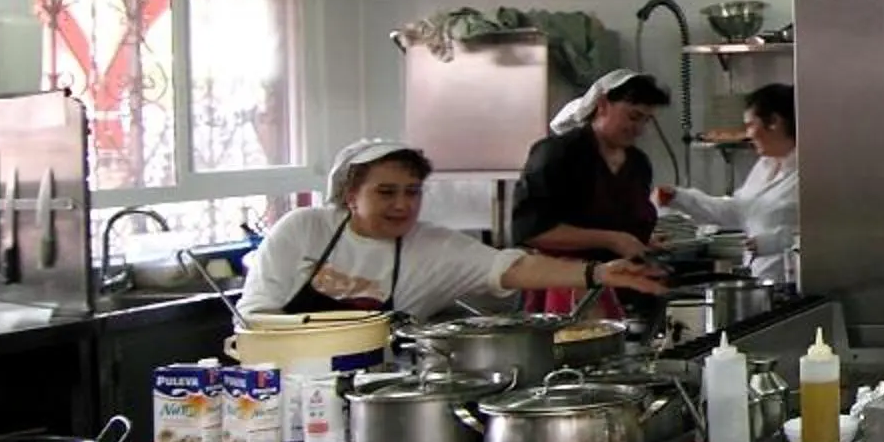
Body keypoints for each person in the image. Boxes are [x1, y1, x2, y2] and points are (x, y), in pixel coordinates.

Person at [240, 141, 670, 315]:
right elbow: (256, 317)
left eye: (412, 192)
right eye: (386, 192)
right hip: (279, 391)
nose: (402, 205)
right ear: (350, 195)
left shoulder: (432, 247)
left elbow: (514, 268)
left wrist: (599, 273)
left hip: (374, 397)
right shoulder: (304, 230)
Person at [511, 69, 670, 264]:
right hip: (565, 276)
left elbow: (625, 222)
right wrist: (613, 241)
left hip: (623, 275)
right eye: (633, 117)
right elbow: (530, 230)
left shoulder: (638, 163)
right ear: (603, 105)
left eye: (646, 120)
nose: (639, 130)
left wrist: (641, 241)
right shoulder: (558, 154)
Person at [660, 82, 800, 285]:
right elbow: (737, 210)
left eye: (750, 125)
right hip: (762, 279)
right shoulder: (765, 165)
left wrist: (773, 242)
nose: (747, 134)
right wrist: (679, 197)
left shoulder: (812, 171)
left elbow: (825, 233)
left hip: (796, 282)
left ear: (774, 122)